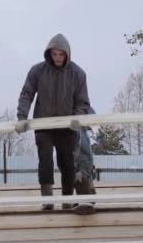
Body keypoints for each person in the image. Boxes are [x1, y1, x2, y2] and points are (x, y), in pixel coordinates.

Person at [15, 34, 91, 211]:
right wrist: (22, 117)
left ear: (67, 54)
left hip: (67, 127)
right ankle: (47, 200)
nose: (57, 58)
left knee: (67, 163)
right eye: (54, 54)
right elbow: (27, 93)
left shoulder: (78, 74)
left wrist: (77, 119)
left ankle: (67, 200)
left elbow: (82, 101)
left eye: (61, 54)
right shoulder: (37, 71)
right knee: (45, 160)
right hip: (43, 126)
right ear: (49, 53)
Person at [72, 108, 97, 215]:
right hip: (81, 174)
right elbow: (74, 153)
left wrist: (92, 168)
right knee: (86, 206)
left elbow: (87, 155)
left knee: (91, 201)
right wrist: (76, 170)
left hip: (87, 172)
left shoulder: (84, 133)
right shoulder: (78, 133)